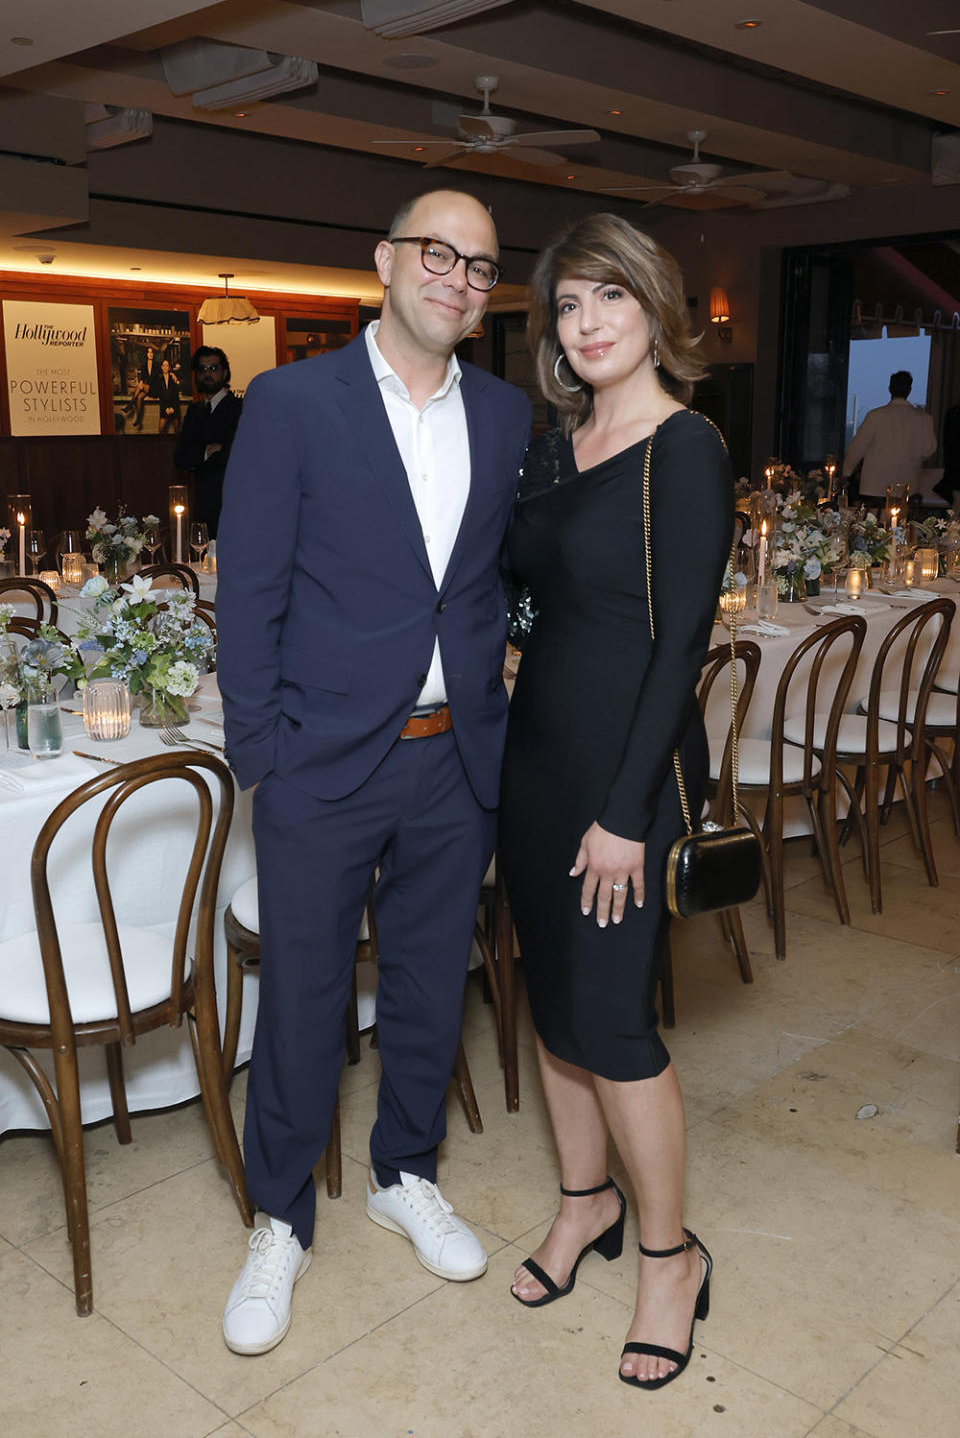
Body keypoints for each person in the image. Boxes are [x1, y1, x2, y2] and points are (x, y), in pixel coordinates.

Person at [216, 190, 531, 1355]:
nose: (459, 277)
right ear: (386, 260)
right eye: (438, 254)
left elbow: (494, 579)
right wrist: (268, 760)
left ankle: (406, 1171)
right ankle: (280, 1219)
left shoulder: (503, 415)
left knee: (425, 983)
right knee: (300, 996)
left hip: (454, 762)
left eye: (482, 266)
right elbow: (247, 592)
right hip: (323, 764)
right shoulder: (294, 401)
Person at [498, 213, 732, 1392]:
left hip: (622, 776)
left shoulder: (684, 448)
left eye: (610, 300)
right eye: (568, 307)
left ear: (653, 309)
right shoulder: (554, 448)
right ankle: (583, 1203)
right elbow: (531, 599)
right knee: (553, 1009)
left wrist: (629, 814)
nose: (586, 326)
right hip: (534, 766)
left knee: (617, 1027)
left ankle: (667, 1257)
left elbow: (679, 640)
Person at [174, 346, 243, 537]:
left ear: (225, 372)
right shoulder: (194, 411)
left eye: (213, 368)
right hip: (202, 505)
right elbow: (181, 458)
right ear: (196, 375)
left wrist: (215, 452)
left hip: (234, 504)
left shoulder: (239, 408)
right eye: (202, 370)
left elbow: (240, 454)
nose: (208, 374)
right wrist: (207, 452)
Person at [842, 370, 936, 500]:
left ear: (890, 389)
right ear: (909, 390)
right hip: (907, 486)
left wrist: (847, 472)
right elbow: (929, 450)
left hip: (874, 486)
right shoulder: (924, 419)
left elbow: (857, 448)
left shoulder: (875, 416)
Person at [155, 358, 181, 435]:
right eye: (164, 365)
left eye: (167, 365)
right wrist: (166, 408)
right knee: (160, 430)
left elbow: (176, 396)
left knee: (177, 431)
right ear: (161, 367)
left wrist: (172, 407)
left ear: (169, 368)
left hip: (174, 407)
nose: (165, 367)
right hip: (164, 407)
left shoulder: (173, 378)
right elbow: (161, 396)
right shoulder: (159, 379)